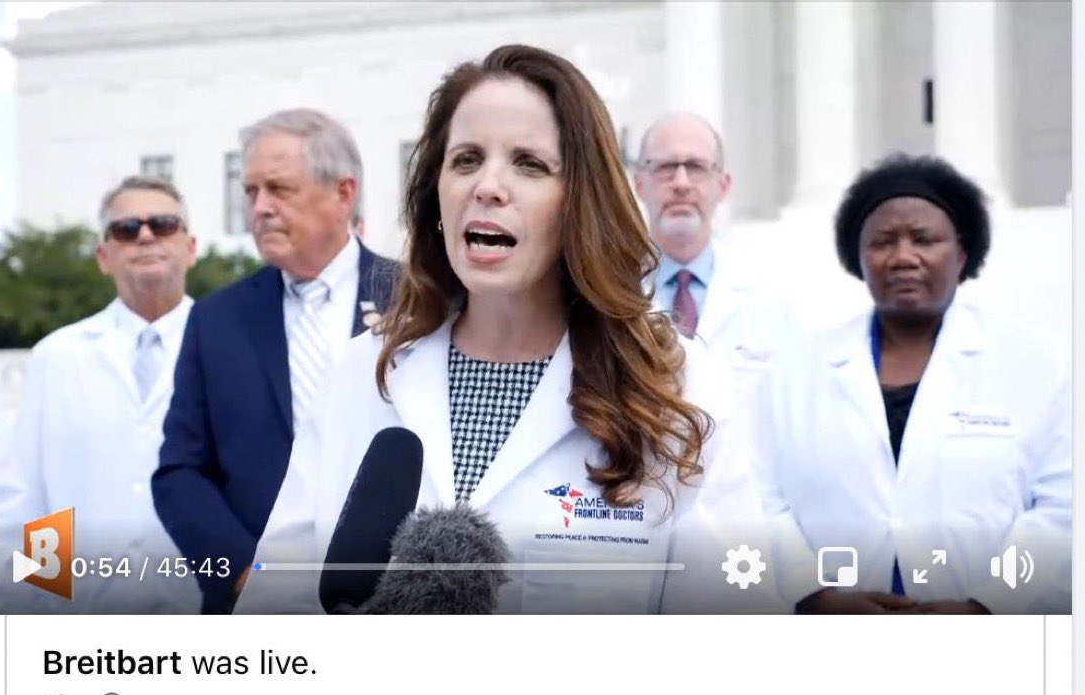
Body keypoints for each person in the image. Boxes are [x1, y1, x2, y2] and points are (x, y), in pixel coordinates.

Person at [247, 45, 782, 615]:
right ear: (436, 196)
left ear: (580, 201)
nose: (488, 186)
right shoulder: (361, 373)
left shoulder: (677, 382)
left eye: (529, 163)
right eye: (467, 159)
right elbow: (273, 595)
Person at [755, 154, 1070, 614]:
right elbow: (760, 497)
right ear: (858, 257)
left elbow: (1065, 507)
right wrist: (814, 595)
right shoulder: (794, 370)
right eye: (883, 242)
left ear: (962, 253)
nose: (903, 257)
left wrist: (985, 606)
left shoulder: (1040, 363)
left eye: (924, 239)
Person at [152, 109, 396, 614]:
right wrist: (243, 573)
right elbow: (180, 471)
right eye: (250, 192)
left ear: (343, 194)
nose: (258, 208)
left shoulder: (419, 302)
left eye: (279, 189)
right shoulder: (217, 319)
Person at [0, 175, 201, 613]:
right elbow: (34, 499)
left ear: (190, 247)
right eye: (126, 229)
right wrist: (39, 607)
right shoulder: (57, 356)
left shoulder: (231, 350)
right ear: (103, 256)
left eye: (163, 224)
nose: (145, 236)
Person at [633, 113, 785, 381]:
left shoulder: (771, 296)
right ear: (640, 184)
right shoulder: (607, 292)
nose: (681, 183)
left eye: (696, 167)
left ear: (723, 186)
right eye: (666, 167)